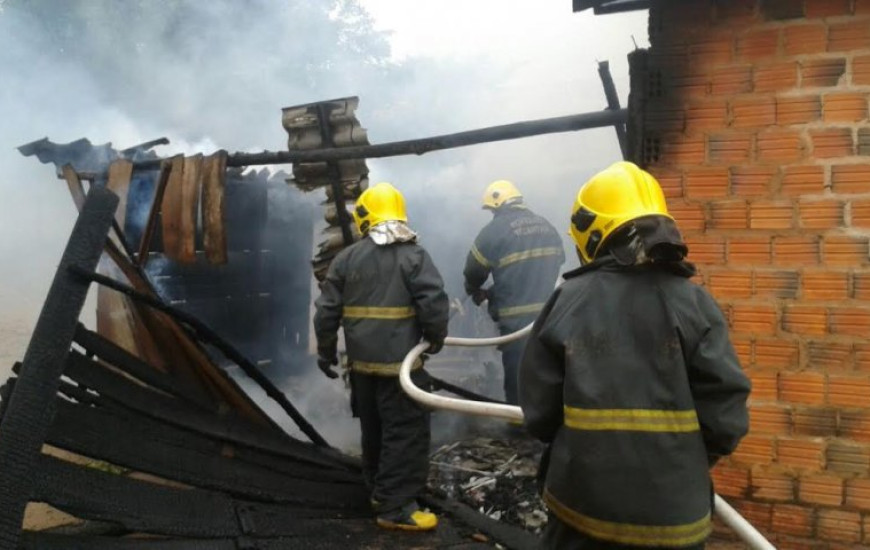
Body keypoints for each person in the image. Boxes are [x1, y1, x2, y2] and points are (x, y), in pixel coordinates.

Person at [519, 161, 751, 549]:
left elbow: (540, 411)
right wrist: (682, 462)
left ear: (593, 232)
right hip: (675, 517)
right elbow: (726, 417)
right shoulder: (694, 301)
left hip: (582, 509)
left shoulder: (568, 300)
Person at [313, 182, 449, 531]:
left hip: (361, 370)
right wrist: (435, 339)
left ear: (364, 218)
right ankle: (396, 507)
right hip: (402, 371)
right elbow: (433, 304)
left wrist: (326, 352)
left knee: (374, 431)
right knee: (406, 434)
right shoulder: (414, 256)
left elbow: (326, 312)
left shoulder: (346, 258)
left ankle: (378, 490)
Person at [463, 180, 564, 405]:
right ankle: (548, 421)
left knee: (517, 371)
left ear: (497, 205)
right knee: (545, 368)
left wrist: (474, 290)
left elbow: (473, 270)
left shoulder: (494, 231)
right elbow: (538, 269)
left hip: (516, 320)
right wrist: (495, 291)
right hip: (549, 317)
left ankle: (519, 424)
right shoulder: (546, 226)